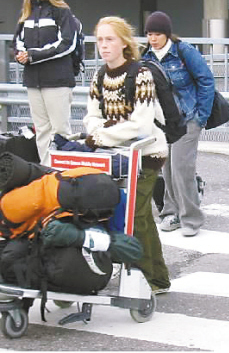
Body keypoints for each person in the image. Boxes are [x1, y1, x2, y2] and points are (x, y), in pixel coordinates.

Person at [83, 16, 171, 294]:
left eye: (110, 39)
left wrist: (102, 135)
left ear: (123, 42)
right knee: (138, 216)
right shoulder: (99, 75)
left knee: (135, 214)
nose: (104, 45)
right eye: (100, 39)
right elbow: (90, 117)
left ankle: (147, 279)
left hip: (147, 154)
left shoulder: (141, 74)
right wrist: (100, 130)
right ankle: (158, 278)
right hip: (115, 155)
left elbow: (141, 126)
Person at [142, 11, 215, 237]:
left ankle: (191, 218)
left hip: (188, 117)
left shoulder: (183, 51)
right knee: (167, 169)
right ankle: (170, 212)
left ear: (167, 34)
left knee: (182, 168)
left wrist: (201, 116)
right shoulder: (146, 56)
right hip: (164, 122)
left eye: (157, 34)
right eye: (149, 34)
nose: (153, 39)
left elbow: (206, 80)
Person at [13, 0, 78, 166]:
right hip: (33, 81)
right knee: (41, 130)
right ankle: (46, 171)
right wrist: (20, 55)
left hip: (57, 80)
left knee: (60, 131)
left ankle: (63, 174)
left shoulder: (61, 11)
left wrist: (33, 55)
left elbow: (67, 44)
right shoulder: (27, 13)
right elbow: (17, 42)